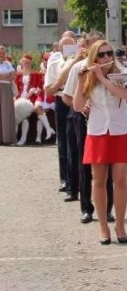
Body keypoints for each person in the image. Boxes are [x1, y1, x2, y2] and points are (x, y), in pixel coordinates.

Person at [72, 40, 127, 244]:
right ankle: (103, 227)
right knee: (98, 180)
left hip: (121, 130)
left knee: (120, 180)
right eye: (101, 55)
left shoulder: (122, 72)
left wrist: (102, 76)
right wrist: (83, 82)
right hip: (98, 131)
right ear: (94, 58)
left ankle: (120, 225)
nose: (106, 58)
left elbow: (124, 94)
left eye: (109, 53)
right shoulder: (87, 75)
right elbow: (77, 106)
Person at [44, 35, 77, 192]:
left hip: (78, 100)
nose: (70, 50)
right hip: (61, 99)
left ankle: (78, 177)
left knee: (78, 140)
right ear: (59, 49)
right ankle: (64, 178)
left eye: (73, 46)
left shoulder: (81, 62)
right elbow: (48, 90)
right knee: (63, 140)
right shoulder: (54, 63)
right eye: (66, 47)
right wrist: (61, 82)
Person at [14, 54, 51, 144]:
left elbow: (38, 86)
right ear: (21, 63)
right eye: (25, 62)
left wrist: (31, 93)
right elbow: (14, 87)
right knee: (17, 117)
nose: (27, 64)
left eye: (28, 63)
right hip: (19, 98)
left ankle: (25, 138)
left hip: (31, 99)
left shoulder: (36, 73)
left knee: (25, 115)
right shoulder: (17, 74)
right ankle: (14, 138)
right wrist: (14, 97)